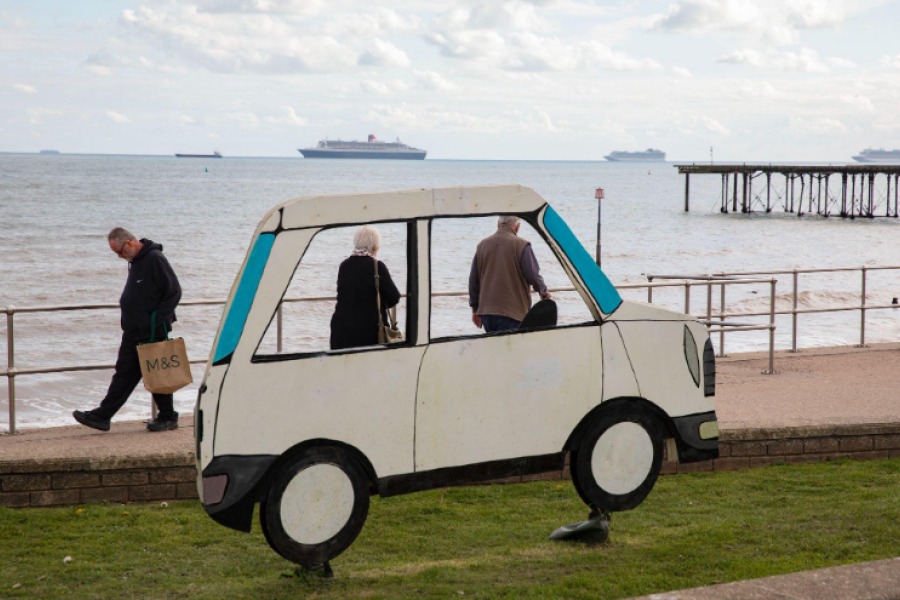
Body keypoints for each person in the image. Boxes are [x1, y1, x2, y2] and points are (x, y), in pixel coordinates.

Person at [73, 228, 183, 432]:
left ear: (130, 243)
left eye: (120, 252)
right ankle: (104, 416)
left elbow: (174, 291)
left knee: (154, 372)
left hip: (150, 330)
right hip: (134, 329)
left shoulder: (155, 259)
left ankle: (167, 417)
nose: (119, 257)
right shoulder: (135, 261)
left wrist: (155, 321)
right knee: (127, 372)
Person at [469, 216, 551, 333]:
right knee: (510, 350)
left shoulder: (482, 245)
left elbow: (473, 280)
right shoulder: (522, 245)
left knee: (495, 350)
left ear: (498, 224)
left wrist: (475, 309)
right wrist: (543, 292)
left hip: (487, 313)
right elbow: (533, 275)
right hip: (512, 313)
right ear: (517, 227)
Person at [330, 225, 401, 350]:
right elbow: (394, 297)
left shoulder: (344, 266)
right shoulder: (377, 266)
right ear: (374, 247)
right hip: (370, 332)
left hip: (342, 331)